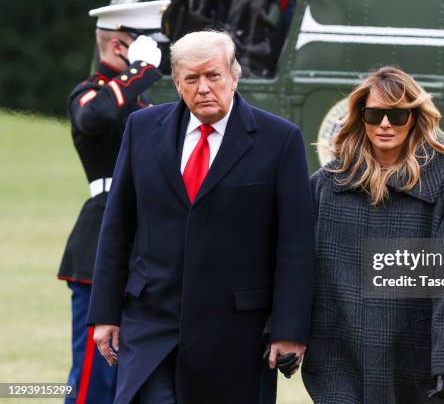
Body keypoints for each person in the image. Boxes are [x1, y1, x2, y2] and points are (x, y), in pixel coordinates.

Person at [86, 30, 315, 403]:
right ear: (177, 83)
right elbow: (117, 227)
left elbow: (296, 244)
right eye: (192, 78)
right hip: (151, 326)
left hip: (235, 333)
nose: (204, 87)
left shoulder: (280, 140)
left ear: (234, 76)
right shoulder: (142, 129)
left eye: (214, 75)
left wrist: (290, 329)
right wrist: (105, 313)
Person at [303, 66, 444, 403]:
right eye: (374, 114)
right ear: (361, 117)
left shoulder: (439, 188)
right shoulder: (327, 185)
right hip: (337, 353)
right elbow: (292, 260)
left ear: (414, 118)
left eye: (397, 115)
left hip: (412, 360)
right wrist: (284, 330)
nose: (385, 124)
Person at [58, 0, 168, 403]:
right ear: (123, 46)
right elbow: (93, 119)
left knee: (137, 372)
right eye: (154, 45)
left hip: (148, 247)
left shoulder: (138, 103)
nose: (162, 54)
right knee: (94, 375)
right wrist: (138, 72)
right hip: (103, 239)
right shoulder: (91, 94)